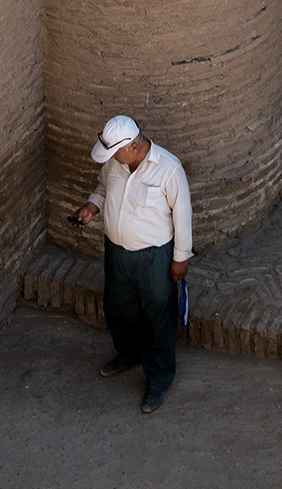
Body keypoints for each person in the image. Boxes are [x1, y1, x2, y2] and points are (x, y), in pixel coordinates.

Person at [70, 115, 192, 416]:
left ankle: (159, 379)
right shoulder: (115, 163)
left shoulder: (169, 169)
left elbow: (183, 214)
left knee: (158, 316)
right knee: (118, 308)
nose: (111, 159)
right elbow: (103, 188)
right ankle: (129, 353)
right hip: (117, 252)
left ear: (134, 148)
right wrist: (91, 206)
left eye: (115, 153)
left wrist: (181, 258)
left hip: (154, 257)